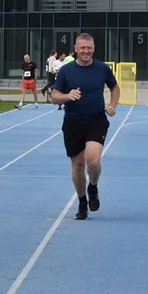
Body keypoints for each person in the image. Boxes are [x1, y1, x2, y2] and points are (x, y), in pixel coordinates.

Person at [50, 33, 120, 220]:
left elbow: (115, 87)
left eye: (89, 47)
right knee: (78, 165)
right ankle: (82, 202)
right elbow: (54, 96)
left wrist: (113, 105)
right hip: (73, 122)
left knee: (93, 160)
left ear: (94, 48)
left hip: (96, 120)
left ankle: (93, 187)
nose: (86, 51)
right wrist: (67, 96)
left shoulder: (102, 69)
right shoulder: (66, 71)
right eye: (83, 48)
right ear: (76, 48)